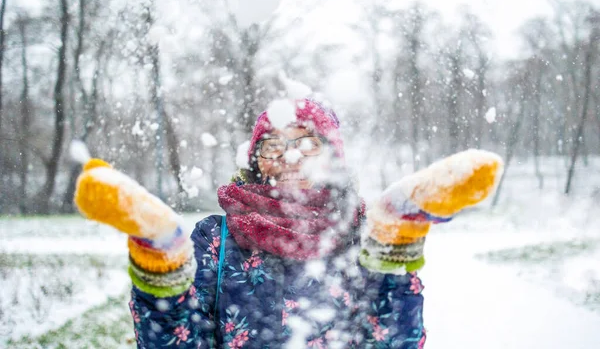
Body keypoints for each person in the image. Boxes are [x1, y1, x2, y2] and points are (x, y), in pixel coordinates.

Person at [75, 98, 501, 348]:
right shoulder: (214, 238)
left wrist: (396, 241)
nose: (288, 155)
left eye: (307, 144)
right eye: (272, 144)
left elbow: (393, 341)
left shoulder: (362, 236)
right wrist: (158, 259)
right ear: (255, 160)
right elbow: (176, 342)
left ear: (333, 156)